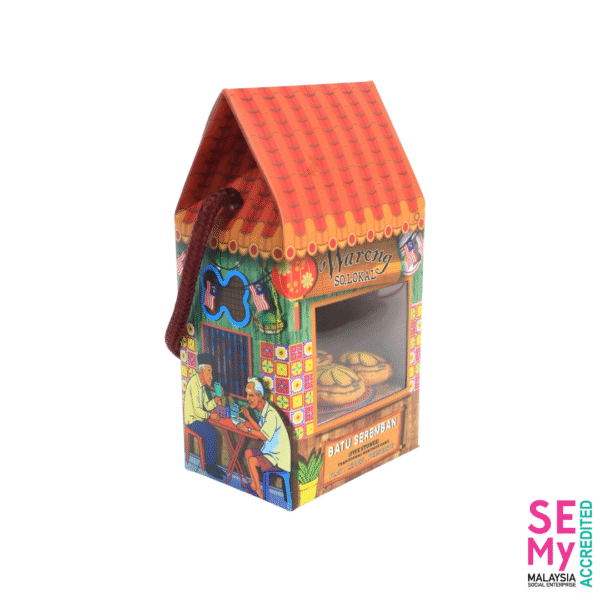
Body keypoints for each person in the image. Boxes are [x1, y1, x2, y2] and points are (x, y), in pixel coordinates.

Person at [237, 377, 291, 498]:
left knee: (252, 460)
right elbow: (261, 430)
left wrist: (247, 430)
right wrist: (249, 417)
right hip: (269, 453)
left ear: (259, 396)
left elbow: (263, 436)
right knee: (248, 453)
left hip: (278, 458)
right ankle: (254, 485)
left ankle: (259, 493)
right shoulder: (263, 412)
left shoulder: (271, 414)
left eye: (251, 395)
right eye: (247, 395)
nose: (247, 398)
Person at [184, 353, 224, 480]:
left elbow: (206, 405)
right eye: (209, 372)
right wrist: (210, 416)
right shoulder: (194, 384)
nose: (211, 376)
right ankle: (209, 466)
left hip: (199, 418)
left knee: (212, 434)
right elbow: (197, 411)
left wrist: (215, 400)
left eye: (211, 372)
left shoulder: (202, 386)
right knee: (211, 434)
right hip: (192, 420)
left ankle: (212, 465)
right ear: (201, 371)